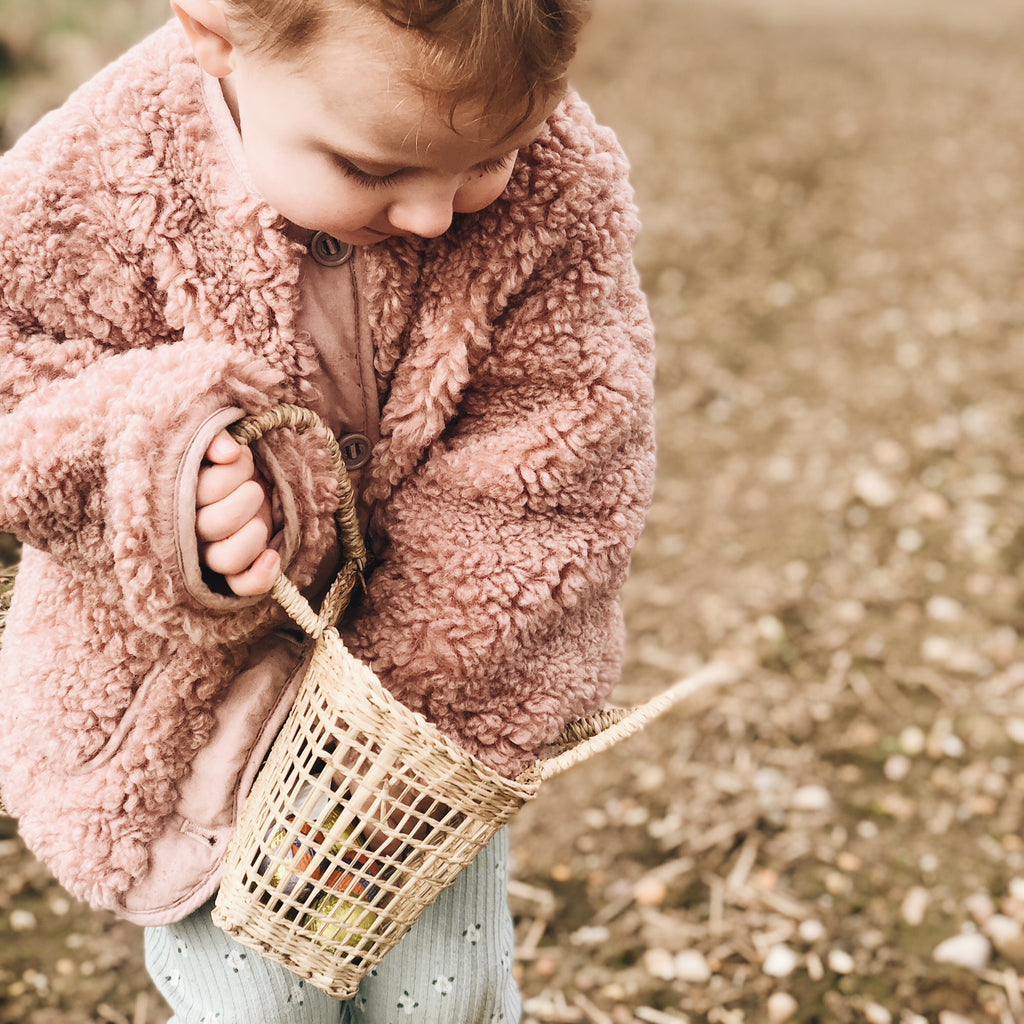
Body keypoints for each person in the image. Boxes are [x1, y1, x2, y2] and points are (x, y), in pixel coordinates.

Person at [0, 0, 655, 1020]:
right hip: (188, 727)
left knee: (446, 995)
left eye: (489, 160)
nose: (438, 213)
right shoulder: (97, 171)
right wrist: (160, 464)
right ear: (217, 31)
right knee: (255, 1003)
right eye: (373, 169)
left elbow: (560, 445)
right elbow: (16, 380)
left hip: (426, 725)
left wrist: (406, 709)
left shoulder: (562, 188)